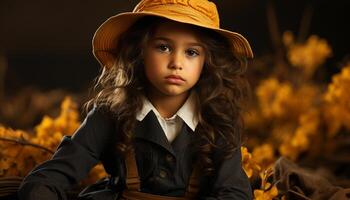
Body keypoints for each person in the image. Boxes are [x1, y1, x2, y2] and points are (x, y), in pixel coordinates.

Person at [18, 0, 254, 199]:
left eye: (191, 52)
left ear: (207, 61)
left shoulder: (219, 121)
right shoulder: (109, 114)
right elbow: (46, 179)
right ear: (139, 52)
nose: (176, 63)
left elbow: (235, 193)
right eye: (163, 47)